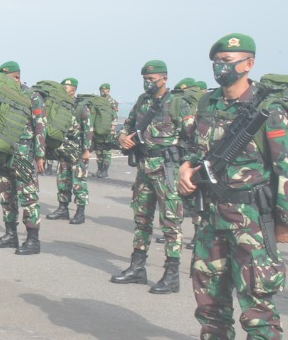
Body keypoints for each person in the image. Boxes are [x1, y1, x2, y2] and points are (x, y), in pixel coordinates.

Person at [171, 33, 288, 340]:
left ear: (249, 64)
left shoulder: (267, 109)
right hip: (211, 218)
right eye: (217, 60)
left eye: (229, 59)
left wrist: (286, 221)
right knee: (209, 297)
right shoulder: (208, 103)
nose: (221, 66)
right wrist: (185, 167)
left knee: (257, 302)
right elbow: (195, 149)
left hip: (250, 222)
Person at [112, 60, 193, 293]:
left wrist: (184, 166)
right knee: (141, 219)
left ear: (164, 79)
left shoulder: (178, 104)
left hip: (167, 170)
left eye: (152, 79)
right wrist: (123, 138)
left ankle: (172, 274)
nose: (148, 83)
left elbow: (193, 138)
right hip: (145, 168)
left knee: (170, 224)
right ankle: (137, 267)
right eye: (145, 79)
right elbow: (126, 126)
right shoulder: (143, 101)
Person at [0, 62, 46, 255]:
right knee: (7, 194)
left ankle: (32, 239)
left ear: (16, 77)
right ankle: (10, 234)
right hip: (5, 153)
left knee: (28, 196)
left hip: (24, 152)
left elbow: (40, 126)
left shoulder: (32, 96)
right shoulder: (1, 96)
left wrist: (39, 155)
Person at [46, 77, 92, 224]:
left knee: (79, 182)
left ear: (74, 89)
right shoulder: (61, 106)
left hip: (77, 150)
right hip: (62, 149)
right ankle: (62, 209)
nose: (64, 89)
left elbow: (88, 129)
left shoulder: (81, 106)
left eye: (67, 86)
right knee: (62, 180)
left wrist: (87, 150)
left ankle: (80, 212)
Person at [95, 83, 118, 177]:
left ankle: (105, 170)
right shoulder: (97, 101)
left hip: (109, 129)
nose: (104, 92)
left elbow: (115, 116)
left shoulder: (112, 102)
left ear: (109, 90)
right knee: (98, 150)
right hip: (99, 129)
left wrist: (113, 128)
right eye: (102, 90)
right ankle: (100, 169)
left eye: (105, 90)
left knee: (106, 150)